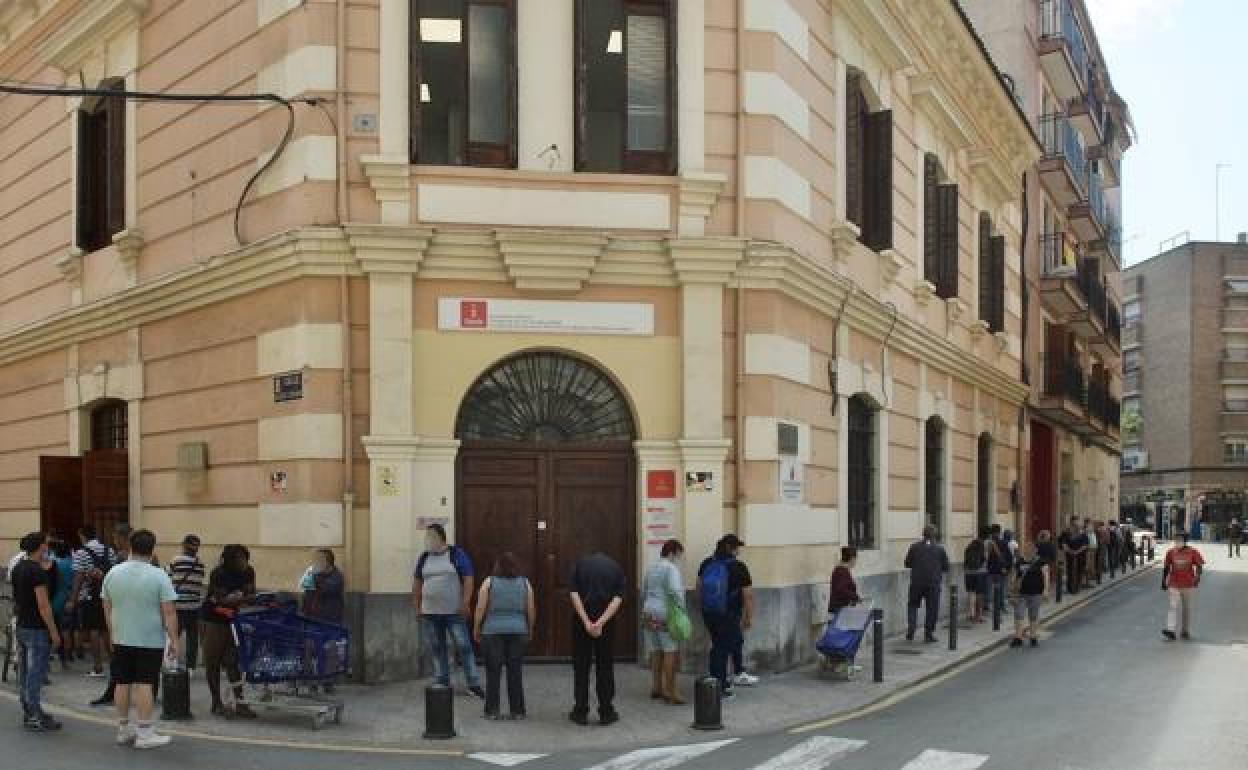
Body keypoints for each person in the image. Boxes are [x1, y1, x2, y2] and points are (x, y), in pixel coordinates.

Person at [101, 529, 180, 749]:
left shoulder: (113, 573)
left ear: (130, 546)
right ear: (152, 548)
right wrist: (174, 639)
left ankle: (123, 729)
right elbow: (169, 612)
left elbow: (107, 607)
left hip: (121, 637)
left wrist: (112, 633)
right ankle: (145, 733)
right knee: (145, 683)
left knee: (122, 682)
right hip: (150, 639)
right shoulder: (159, 575)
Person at [412, 523, 483, 698]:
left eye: (431, 536)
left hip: (454, 612)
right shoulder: (424, 557)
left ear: (441, 538)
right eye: (426, 536)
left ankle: (473, 683)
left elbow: (468, 578)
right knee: (437, 647)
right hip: (430, 612)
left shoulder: (456, 554)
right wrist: (417, 605)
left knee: (464, 646)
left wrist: (465, 603)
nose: (427, 540)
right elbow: (417, 582)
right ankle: (442, 681)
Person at [472, 551, 536, 720]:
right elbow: (530, 609)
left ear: (497, 566)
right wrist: (530, 628)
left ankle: (492, 711)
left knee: (493, 672)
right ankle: (518, 711)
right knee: (515, 672)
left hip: (492, 631)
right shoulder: (525, 583)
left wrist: (476, 627)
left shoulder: (489, 582)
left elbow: (480, 608)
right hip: (518, 630)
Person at [12, 532, 63, 732]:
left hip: (23, 625)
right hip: (37, 628)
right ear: (41, 547)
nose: (48, 548)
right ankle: (35, 715)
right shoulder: (37, 572)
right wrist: (54, 632)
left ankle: (29, 710)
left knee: (24, 671)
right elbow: (44, 605)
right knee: (36, 673)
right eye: (46, 545)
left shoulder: (18, 568)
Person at [568, 550, 627, 726]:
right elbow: (617, 599)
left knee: (581, 667)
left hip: (582, 621)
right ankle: (606, 711)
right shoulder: (615, 567)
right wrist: (601, 622)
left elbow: (574, 594)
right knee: (605, 666)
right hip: (606, 621)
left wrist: (586, 621)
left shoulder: (579, 565)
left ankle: (580, 711)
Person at [202, 544, 258, 718]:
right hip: (213, 620)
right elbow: (220, 600)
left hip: (233, 619)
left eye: (245, 558)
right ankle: (216, 702)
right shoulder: (219, 574)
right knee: (213, 662)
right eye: (238, 559)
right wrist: (237, 599)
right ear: (229, 560)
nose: (243, 562)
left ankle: (240, 703)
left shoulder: (249, 572)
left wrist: (238, 599)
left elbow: (251, 596)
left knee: (233, 662)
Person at [698, 534, 754, 698]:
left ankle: (719, 680)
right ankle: (719, 687)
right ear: (730, 548)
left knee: (718, 645)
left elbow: (698, 588)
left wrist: (705, 609)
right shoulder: (738, 566)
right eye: (737, 547)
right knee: (721, 649)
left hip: (709, 613)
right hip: (728, 614)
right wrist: (748, 617)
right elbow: (748, 595)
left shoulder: (707, 563)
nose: (738, 551)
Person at [91, 523, 135, 707]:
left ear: (124, 539)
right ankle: (115, 690)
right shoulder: (125, 558)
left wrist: (103, 577)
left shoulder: (124, 558)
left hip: (125, 611)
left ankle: (114, 692)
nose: (114, 541)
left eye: (116, 538)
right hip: (129, 610)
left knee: (121, 656)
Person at [641, 539, 687, 705]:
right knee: (670, 651)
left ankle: (656, 687)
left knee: (655, 650)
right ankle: (671, 691)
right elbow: (675, 591)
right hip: (665, 613)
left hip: (648, 611)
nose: (678, 559)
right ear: (672, 552)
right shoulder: (671, 568)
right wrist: (682, 610)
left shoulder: (651, 567)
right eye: (678, 554)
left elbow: (644, 589)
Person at [68, 524, 116, 678]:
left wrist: (73, 599)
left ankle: (97, 666)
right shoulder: (109, 550)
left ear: (82, 535)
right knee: (106, 629)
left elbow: (78, 577)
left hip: (89, 596)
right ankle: (114, 663)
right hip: (108, 596)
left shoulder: (81, 553)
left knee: (93, 630)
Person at [167, 535, 206, 671]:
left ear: (183, 545)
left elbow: (168, 578)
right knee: (192, 638)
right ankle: (191, 667)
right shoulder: (200, 564)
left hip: (178, 605)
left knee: (174, 635)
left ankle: (172, 663)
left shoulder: (176, 560)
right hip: (195, 606)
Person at [903, 526, 949, 643]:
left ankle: (911, 629)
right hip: (933, 583)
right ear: (934, 535)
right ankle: (928, 634)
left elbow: (907, 563)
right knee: (932, 609)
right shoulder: (940, 549)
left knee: (912, 605)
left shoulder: (914, 547)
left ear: (923, 534)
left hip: (916, 582)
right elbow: (946, 567)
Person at [1161, 532, 1204, 641]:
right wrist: (1163, 581)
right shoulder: (1170, 552)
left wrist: (1198, 577)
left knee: (1186, 608)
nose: (1177, 542)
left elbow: (1199, 565)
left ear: (1185, 541)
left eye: (1179, 540)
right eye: (1176, 540)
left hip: (1187, 584)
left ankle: (1185, 631)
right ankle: (1170, 630)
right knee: (1172, 606)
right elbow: (1166, 567)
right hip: (1173, 583)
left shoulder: (1193, 552)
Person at [1009, 543, 1049, 649]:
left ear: (1035, 550)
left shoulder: (1041, 561)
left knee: (1033, 615)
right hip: (1021, 593)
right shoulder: (1020, 562)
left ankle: (1033, 636)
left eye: (1031, 549)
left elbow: (1045, 576)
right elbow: (1014, 576)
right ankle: (1018, 637)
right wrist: (1012, 590)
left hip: (1036, 592)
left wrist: (1045, 590)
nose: (1028, 550)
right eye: (1026, 548)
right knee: (1018, 614)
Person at [49, 539, 75, 669]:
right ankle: (66, 658)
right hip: (69, 598)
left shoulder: (53, 564)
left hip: (55, 600)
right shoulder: (73, 563)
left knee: (54, 629)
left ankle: (50, 657)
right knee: (67, 630)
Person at [301, 549, 345, 625]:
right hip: (311, 619)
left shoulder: (336, 576)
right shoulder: (315, 575)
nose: (315, 562)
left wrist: (314, 576)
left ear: (327, 562)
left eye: (319, 560)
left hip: (329, 621)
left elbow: (326, 588)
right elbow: (306, 591)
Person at [986, 524, 1012, 621]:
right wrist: (1007, 568)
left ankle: (988, 605)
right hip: (1001, 570)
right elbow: (1009, 557)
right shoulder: (1003, 543)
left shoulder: (988, 542)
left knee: (990, 588)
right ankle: (1001, 606)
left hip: (990, 569)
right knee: (1001, 588)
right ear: (999, 532)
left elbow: (986, 557)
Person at [962, 530, 988, 624]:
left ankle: (971, 613)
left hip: (968, 573)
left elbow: (965, 561)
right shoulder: (982, 546)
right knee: (980, 594)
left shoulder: (968, 548)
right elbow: (984, 559)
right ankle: (979, 615)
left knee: (971, 593)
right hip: (980, 573)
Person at [1058, 517, 1086, 595]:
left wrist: (1074, 551)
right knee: (1072, 571)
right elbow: (1063, 544)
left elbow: (1085, 544)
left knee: (1077, 571)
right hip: (1073, 554)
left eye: (1077, 522)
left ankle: (1074, 588)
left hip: (1078, 554)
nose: (1076, 523)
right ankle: (1073, 588)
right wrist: (1073, 552)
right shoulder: (1067, 532)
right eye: (1075, 522)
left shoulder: (1081, 532)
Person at [1083, 518, 1098, 589]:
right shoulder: (1086, 530)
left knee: (1091, 566)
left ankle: (1088, 582)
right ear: (1086, 523)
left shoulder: (1090, 530)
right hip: (1088, 549)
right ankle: (1086, 582)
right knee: (1088, 566)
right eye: (1090, 523)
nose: (1091, 524)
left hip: (1093, 549)